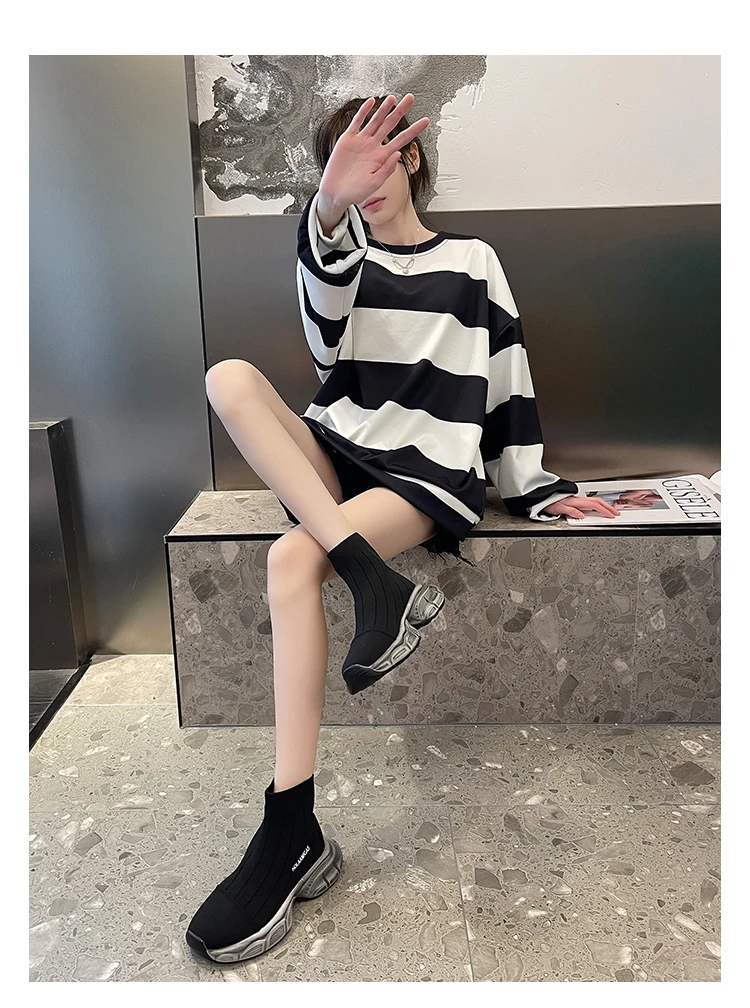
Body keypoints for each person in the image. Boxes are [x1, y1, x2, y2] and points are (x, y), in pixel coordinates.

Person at [185, 93, 620, 964]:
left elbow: (508, 379)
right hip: (340, 454)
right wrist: (328, 207)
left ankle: (290, 828)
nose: (367, 175)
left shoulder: (473, 261)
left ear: (412, 158)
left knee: (292, 557)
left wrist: (534, 489)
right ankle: (375, 583)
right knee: (227, 376)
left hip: (424, 471)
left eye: (380, 156)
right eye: (346, 163)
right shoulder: (342, 256)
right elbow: (322, 341)